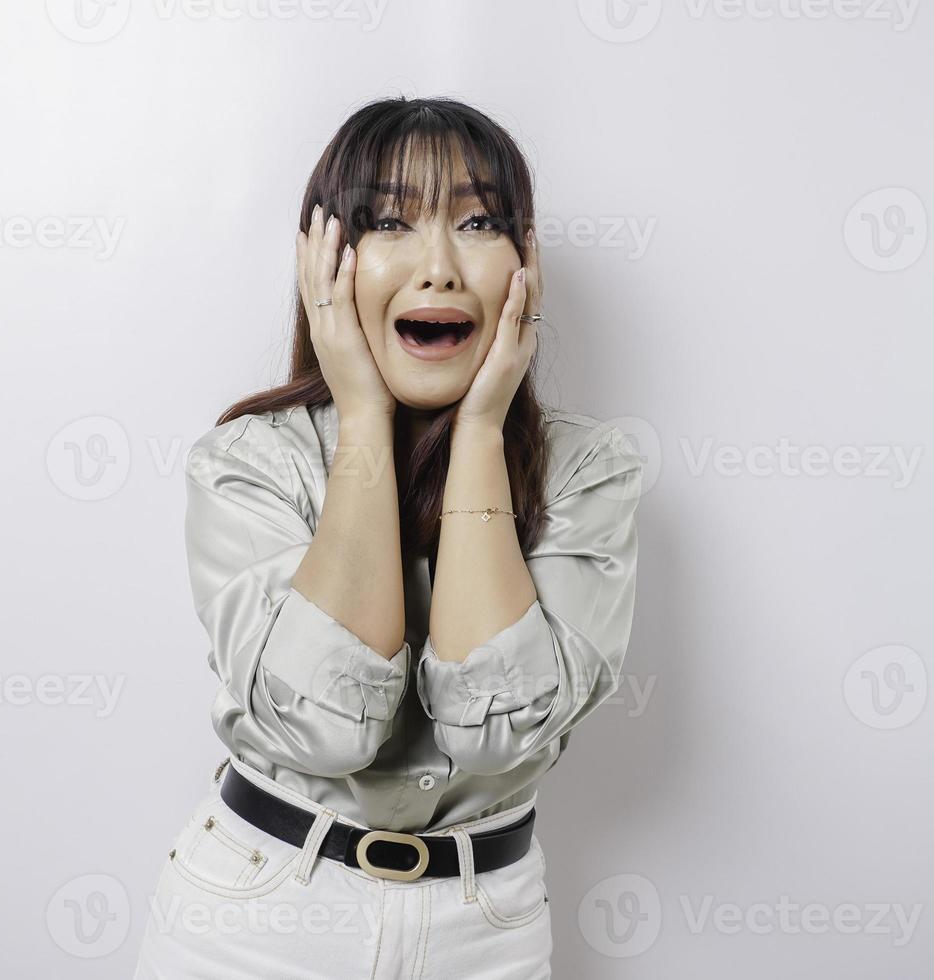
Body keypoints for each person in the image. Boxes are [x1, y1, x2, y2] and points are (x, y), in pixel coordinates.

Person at [133, 95, 644, 979]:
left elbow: (496, 734)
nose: (438, 267)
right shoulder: (249, 463)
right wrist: (364, 415)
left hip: (488, 930)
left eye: (478, 221)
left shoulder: (587, 470)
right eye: (392, 223)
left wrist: (483, 432)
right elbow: (328, 733)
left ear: (525, 264)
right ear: (326, 262)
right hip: (254, 922)